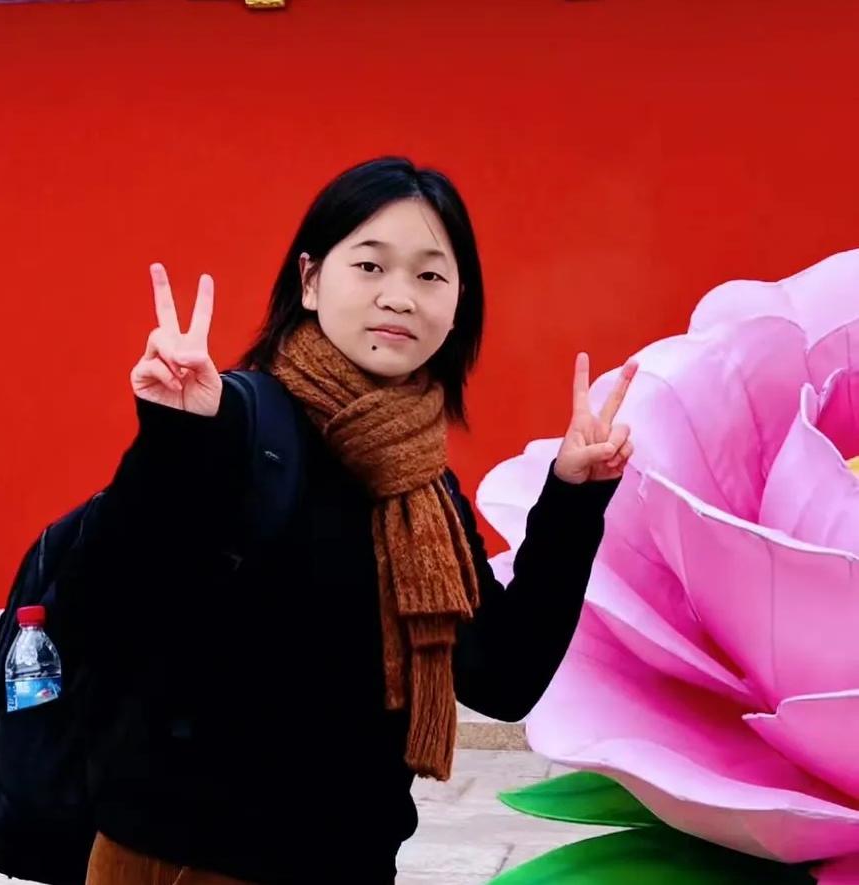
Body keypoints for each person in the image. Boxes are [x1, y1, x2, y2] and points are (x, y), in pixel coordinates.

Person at [77, 156, 636, 885]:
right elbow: (110, 592)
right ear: (310, 280)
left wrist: (572, 499)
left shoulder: (423, 490)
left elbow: (502, 678)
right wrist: (173, 439)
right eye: (370, 265)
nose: (398, 296)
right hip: (184, 858)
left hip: (348, 861)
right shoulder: (234, 422)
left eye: (430, 275)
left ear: (458, 304)